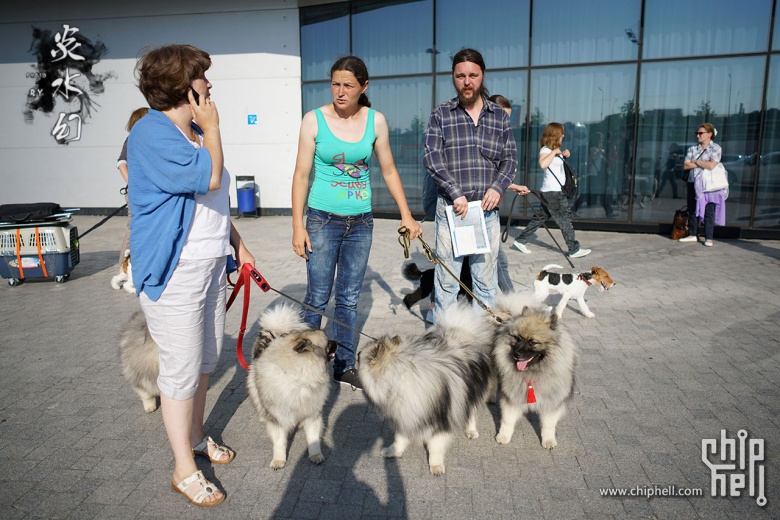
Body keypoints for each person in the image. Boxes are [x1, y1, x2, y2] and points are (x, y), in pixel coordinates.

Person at [128, 44, 256, 507]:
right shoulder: (151, 133)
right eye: (202, 77)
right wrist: (216, 128)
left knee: (206, 357)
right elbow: (212, 179)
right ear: (184, 87)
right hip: (175, 272)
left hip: (209, 266)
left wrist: (238, 245)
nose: (209, 84)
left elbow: (212, 204)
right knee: (180, 371)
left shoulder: (195, 134)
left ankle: (198, 437)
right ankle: (184, 469)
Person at [291, 55, 421, 390]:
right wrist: (297, 225)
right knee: (318, 295)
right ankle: (305, 364)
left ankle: (344, 364)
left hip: (361, 223)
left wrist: (406, 214)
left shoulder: (375, 121)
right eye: (335, 83)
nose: (340, 91)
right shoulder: (314, 120)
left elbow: (389, 169)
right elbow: (302, 175)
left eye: (348, 85)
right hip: (321, 220)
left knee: (348, 298)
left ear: (364, 86)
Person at [423, 48, 518, 319]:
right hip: (452, 210)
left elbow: (510, 159)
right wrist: (455, 193)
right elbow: (432, 157)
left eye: (473, 75)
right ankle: (446, 340)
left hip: (486, 213)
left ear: (482, 75)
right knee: (447, 280)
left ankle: (483, 341)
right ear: (453, 78)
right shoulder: (441, 114)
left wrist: (498, 187)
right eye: (460, 76)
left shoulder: (499, 116)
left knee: (486, 282)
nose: (467, 82)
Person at [510, 122, 591, 258]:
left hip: (551, 191)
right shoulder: (546, 150)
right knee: (565, 219)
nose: (563, 136)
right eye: (561, 133)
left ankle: (520, 240)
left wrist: (563, 155)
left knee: (540, 218)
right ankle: (574, 249)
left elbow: (555, 167)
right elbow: (543, 164)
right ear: (555, 135)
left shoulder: (552, 151)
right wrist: (554, 152)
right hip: (553, 192)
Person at [488, 94, 530, 292]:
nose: (507, 122)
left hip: (489, 211)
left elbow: (494, 176)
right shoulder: (484, 140)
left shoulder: (498, 138)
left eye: (509, 118)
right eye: (503, 116)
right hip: (480, 211)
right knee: (499, 263)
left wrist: (513, 186)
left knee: (490, 263)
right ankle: (514, 304)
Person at [679, 123, 725, 246]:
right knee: (692, 209)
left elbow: (711, 165)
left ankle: (709, 237)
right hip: (693, 182)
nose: (698, 136)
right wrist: (703, 163)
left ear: (709, 134)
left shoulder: (716, 148)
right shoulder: (692, 149)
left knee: (709, 210)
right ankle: (693, 234)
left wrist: (696, 161)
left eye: (701, 133)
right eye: (697, 133)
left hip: (708, 185)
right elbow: (685, 165)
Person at [115, 107, 148, 271]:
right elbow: (121, 163)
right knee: (133, 228)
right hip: (136, 193)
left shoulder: (144, 140)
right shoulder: (133, 139)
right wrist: (134, 184)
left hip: (144, 192)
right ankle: (123, 267)